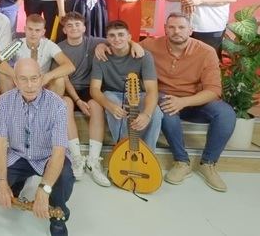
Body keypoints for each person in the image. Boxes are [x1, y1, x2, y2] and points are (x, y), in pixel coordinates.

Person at [141, 13, 235, 191]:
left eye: (182, 27)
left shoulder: (206, 52)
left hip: (195, 101)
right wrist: (102, 47)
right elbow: (123, 45)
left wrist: (183, 101)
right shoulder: (150, 45)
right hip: (166, 99)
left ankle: (208, 163)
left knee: (226, 113)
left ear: (191, 30)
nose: (176, 31)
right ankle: (182, 161)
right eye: (171, 27)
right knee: (166, 106)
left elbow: (214, 90)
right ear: (165, 28)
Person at [0, 58, 75, 236]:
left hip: (47, 157)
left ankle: (58, 213)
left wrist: (44, 189)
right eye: (23, 79)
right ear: (16, 81)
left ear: (41, 78)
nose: (30, 85)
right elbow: (1, 144)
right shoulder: (3, 102)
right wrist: (2, 183)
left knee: (64, 177)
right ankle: (16, 185)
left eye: (34, 78)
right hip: (19, 155)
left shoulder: (58, 105)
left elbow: (58, 152)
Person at [56, 12, 147, 186]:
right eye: (69, 25)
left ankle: (93, 160)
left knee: (97, 106)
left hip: (91, 88)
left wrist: (134, 43)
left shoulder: (95, 42)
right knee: (64, 104)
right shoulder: (59, 48)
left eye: (77, 24)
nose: (74, 28)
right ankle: (76, 157)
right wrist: (77, 101)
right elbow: (64, 78)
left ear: (84, 27)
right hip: (71, 90)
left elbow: (118, 42)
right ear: (64, 29)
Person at [89, 20, 162, 150]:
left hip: (138, 94)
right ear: (107, 38)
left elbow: (152, 90)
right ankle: (123, 149)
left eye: (121, 35)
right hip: (113, 93)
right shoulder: (100, 56)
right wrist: (109, 106)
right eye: (112, 35)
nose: (117, 39)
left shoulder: (144, 56)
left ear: (129, 37)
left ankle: (148, 153)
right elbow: (94, 89)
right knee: (113, 105)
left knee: (155, 112)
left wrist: (146, 114)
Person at [12, 14, 75, 96]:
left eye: (37, 30)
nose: (33, 33)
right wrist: (14, 75)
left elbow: (70, 66)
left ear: (43, 32)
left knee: (59, 79)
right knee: (4, 75)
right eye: (30, 29)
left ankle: (52, 108)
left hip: (42, 83)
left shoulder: (48, 45)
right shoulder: (17, 43)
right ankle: (10, 106)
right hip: (21, 82)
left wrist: (49, 76)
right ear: (25, 29)